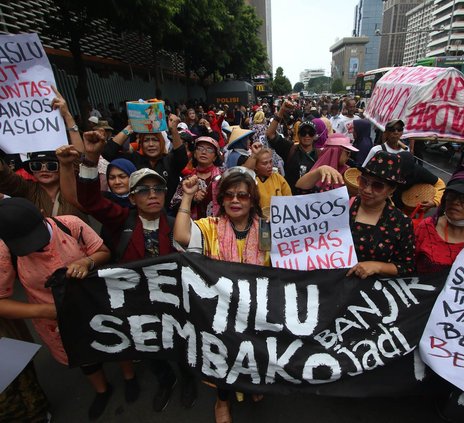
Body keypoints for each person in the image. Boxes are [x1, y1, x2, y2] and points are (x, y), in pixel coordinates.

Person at [72, 132, 197, 412]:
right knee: (149, 347)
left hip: (175, 302)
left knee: (181, 343)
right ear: (131, 198)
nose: (152, 195)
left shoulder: (178, 224)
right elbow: (90, 202)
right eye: (143, 190)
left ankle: (188, 379)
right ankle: (165, 381)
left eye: (158, 189)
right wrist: (91, 158)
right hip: (137, 303)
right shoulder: (121, 222)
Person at [0, 198, 112, 420]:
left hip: (96, 304)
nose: (35, 247)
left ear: (43, 214)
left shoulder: (70, 224)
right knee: (84, 356)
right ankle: (103, 390)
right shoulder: (4, 252)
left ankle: (129, 377)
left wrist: (86, 262)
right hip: (56, 324)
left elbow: (103, 251)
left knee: (113, 340)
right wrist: (45, 311)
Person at [173, 167, 269, 423]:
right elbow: (181, 236)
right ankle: (222, 401)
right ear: (221, 200)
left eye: (242, 195)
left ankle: (252, 387)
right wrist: (187, 195)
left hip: (258, 310)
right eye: (228, 195)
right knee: (225, 358)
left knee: (256, 354)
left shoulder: (267, 228)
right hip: (220, 313)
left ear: (253, 200)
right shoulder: (210, 227)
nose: (235, 200)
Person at [414, 165, 464, 422]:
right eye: (452, 196)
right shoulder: (424, 228)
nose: (456, 203)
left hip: (463, 333)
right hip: (420, 321)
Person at [345, 151, 415, 279]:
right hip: (333, 284)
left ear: (392, 189)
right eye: (364, 181)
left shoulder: (401, 222)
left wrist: (376, 266)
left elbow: (406, 266)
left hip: (371, 291)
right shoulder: (341, 206)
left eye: (377, 186)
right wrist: (319, 171)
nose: (367, 190)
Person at [101, 114, 188, 208]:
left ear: (162, 143)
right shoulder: (134, 159)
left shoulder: (169, 161)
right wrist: (129, 128)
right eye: (146, 140)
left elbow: (181, 157)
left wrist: (174, 130)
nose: (151, 144)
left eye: (155, 140)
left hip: (166, 216)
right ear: (141, 144)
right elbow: (108, 153)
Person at [0, 150, 86, 220]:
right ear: (32, 171)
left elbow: (82, 160)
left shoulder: (75, 190)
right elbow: (6, 176)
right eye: (36, 165)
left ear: (62, 166)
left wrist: (72, 130)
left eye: (51, 165)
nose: (44, 169)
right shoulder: (27, 188)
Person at [266, 101, 319, 194]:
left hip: (312, 203)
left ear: (315, 136)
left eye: (310, 133)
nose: (307, 136)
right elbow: (270, 134)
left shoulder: (320, 155)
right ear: (298, 135)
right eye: (303, 133)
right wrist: (281, 111)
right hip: (291, 201)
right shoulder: (290, 149)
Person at [170, 136, 223, 218]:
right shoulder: (187, 179)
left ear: (215, 157)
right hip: (192, 227)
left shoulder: (223, 176)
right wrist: (192, 199)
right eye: (200, 148)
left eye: (209, 150)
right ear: (194, 154)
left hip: (217, 226)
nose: (204, 152)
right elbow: (174, 206)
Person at [244, 143, 291, 210]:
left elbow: (289, 198)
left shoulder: (278, 178)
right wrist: (254, 154)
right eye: (265, 163)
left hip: (279, 217)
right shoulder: (252, 181)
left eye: (270, 162)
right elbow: (243, 173)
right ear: (256, 166)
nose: (269, 166)